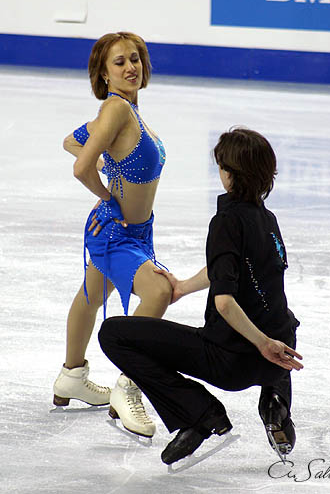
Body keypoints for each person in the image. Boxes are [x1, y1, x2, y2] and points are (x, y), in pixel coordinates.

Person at [98, 127, 304, 465]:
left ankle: (200, 414)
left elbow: (225, 301)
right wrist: (182, 287)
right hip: (279, 359)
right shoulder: (268, 220)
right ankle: (275, 402)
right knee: (277, 313)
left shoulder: (225, 221)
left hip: (235, 360)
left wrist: (260, 343)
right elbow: (231, 268)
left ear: (229, 174)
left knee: (115, 334)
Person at [53, 32, 172, 438]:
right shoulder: (116, 109)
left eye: (135, 59)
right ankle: (128, 386)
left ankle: (72, 375)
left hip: (136, 231)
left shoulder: (126, 112)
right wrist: (107, 196)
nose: (130, 67)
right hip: (115, 234)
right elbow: (79, 166)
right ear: (104, 73)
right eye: (119, 62)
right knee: (158, 293)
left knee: (91, 296)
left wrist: (104, 159)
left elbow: (73, 141)